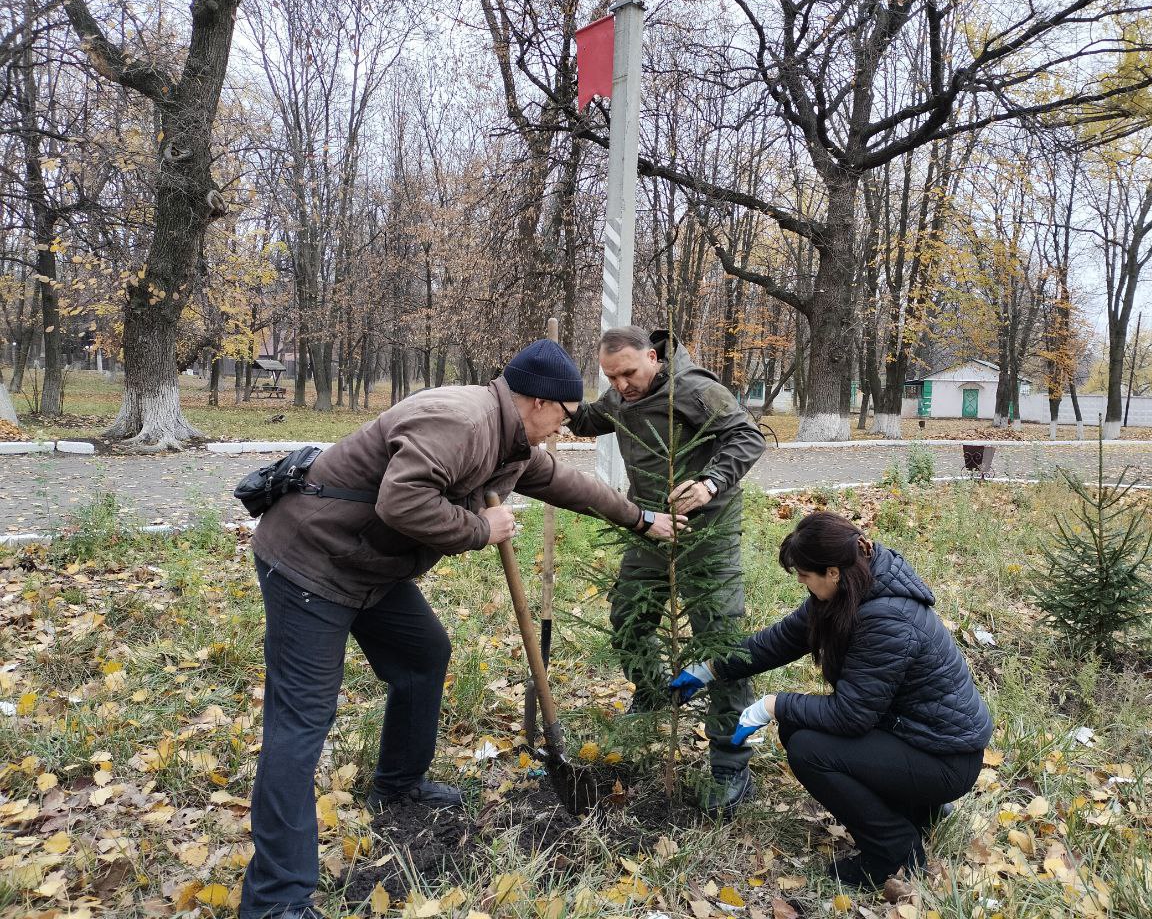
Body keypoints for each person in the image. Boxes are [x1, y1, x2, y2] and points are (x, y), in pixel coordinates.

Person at [241, 339, 682, 919]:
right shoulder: (463, 421)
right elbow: (401, 503)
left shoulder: (511, 440)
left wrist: (642, 518)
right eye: (566, 416)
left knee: (424, 654)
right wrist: (480, 526)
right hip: (311, 564)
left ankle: (398, 786)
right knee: (301, 725)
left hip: (367, 568)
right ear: (538, 401)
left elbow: (566, 484)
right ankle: (276, 901)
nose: (564, 429)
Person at [671, 511, 993, 890]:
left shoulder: (885, 619)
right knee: (799, 727)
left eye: (805, 576)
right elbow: (777, 641)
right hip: (916, 738)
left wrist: (770, 705)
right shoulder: (849, 589)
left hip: (944, 759)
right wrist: (710, 669)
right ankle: (916, 810)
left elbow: (851, 716)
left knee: (809, 748)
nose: (803, 584)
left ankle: (896, 853)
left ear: (832, 572)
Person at [568, 326, 765, 814]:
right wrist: (551, 401)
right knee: (628, 616)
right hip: (651, 528)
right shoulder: (622, 395)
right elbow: (590, 419)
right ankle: (658, 692)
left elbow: (747, 434)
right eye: (611, 377)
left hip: (708, 535)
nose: (621, 385)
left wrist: (710, 483)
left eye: (629, 373)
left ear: (653, 357)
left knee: (719, 638)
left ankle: (730, 760)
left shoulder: (694, 388)